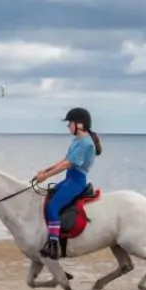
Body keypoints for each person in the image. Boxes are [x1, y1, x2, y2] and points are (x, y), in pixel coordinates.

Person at [33, 107, 103, 259]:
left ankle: (54, 244)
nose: (68, 126)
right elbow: (63, 161)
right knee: (47, 198)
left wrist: (45, 177)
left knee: (53, 207)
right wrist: (44, 171)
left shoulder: (86, 144)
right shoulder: (77, 140)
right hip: (69, 179)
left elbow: (68, 165)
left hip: (76, 181)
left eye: (70, 123)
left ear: (80, 124)